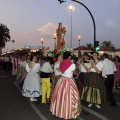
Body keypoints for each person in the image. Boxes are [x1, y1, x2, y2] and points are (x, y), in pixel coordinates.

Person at [50, 51, 81, 120]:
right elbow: (75, 73)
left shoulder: (61, 64)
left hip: (61, 80)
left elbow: (61, 71)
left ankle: (60, 111)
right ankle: (69, 112)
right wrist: (76, 71)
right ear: (69, 57)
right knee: (70, 96)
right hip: (69, 80)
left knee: (60, 96)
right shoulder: (71, 64)